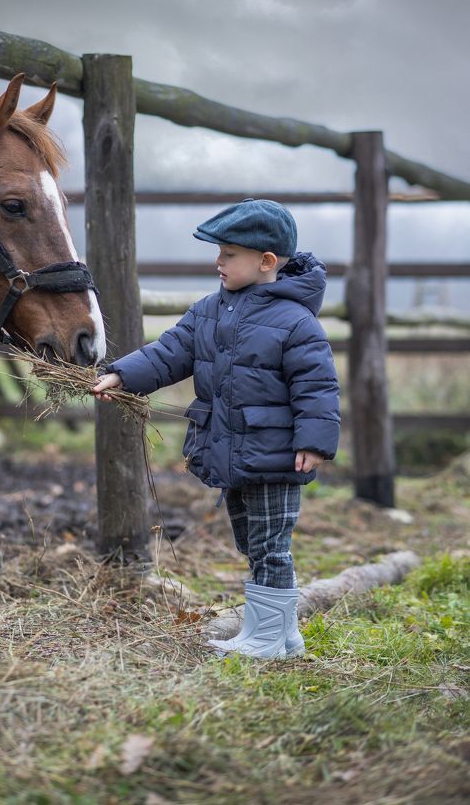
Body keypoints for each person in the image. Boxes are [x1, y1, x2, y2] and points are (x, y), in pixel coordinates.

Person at [92, 198, 341, 659]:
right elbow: (169, 352)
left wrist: (314, 443)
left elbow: (317, 386)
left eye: (229, 253)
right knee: (251, 540)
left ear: (266, 261)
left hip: (278, 454)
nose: (218, 262)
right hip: (232, 451)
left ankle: (266, 637)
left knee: (271, 546)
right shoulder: (209, 311)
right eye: (219, 252)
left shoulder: (296, 322)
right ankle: (280, 635)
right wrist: (123, 374)